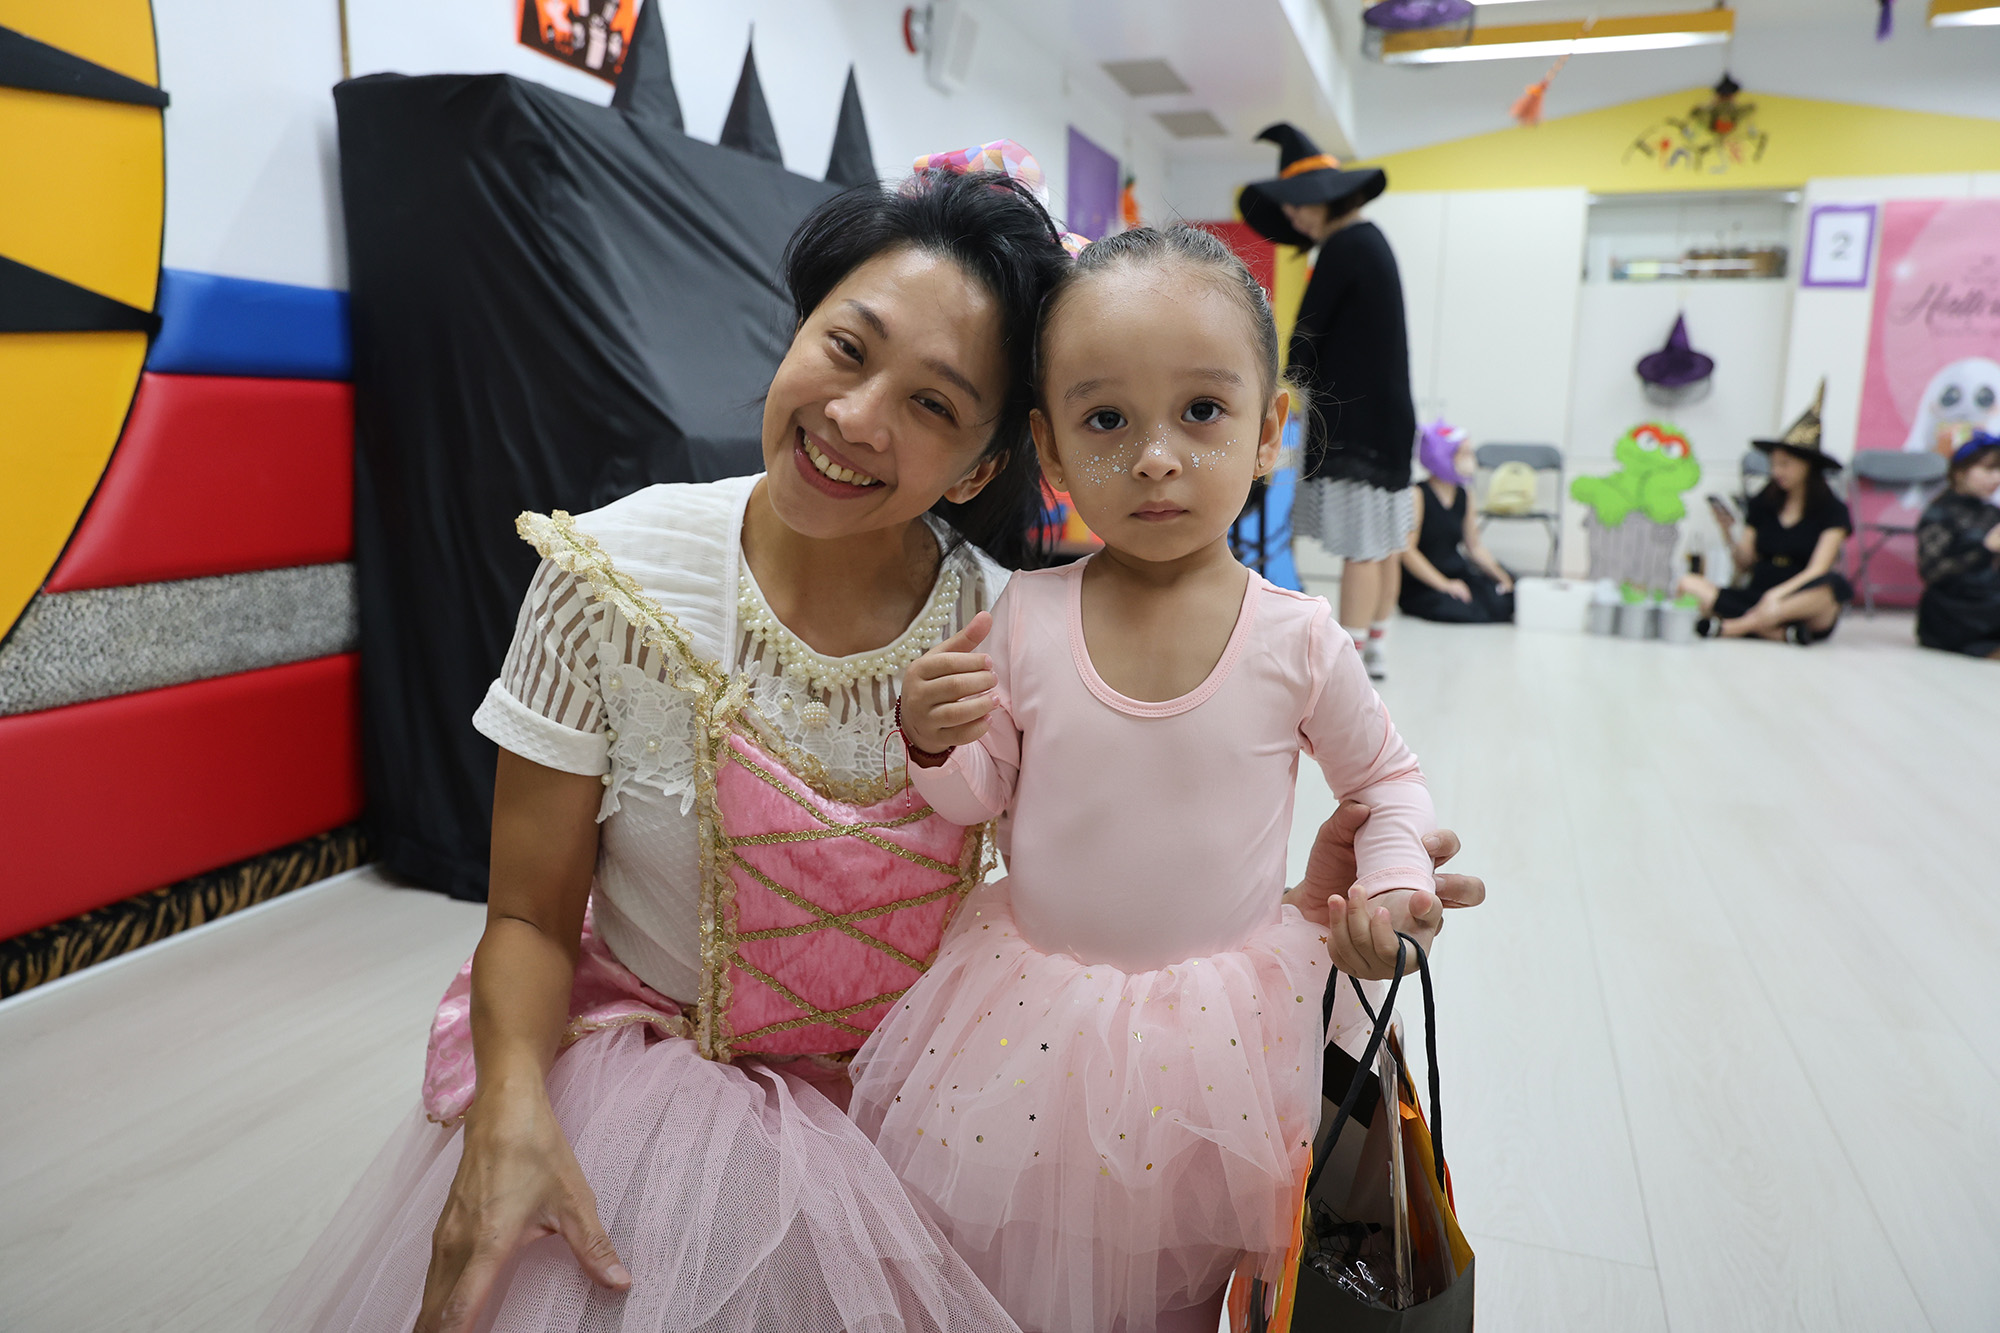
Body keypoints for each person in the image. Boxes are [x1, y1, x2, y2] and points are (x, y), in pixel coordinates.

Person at [264, 156, 1484, 1333]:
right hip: (664, 1101)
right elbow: (529, 913)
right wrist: (510, 1111)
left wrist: (1322, 889)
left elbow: (1131, 820)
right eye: (846, 348)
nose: (853, 417)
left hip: (930, 1114)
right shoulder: (616, 577)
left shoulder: (997, 615)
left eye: (932, 403)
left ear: (987, 462)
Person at [851, 226, 1437, 1333]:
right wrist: (931, 742)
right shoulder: (1027, 615)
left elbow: (1388, 785)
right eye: (1106, 420)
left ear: (1268, 431)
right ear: (1049, 445)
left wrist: (1393, 883)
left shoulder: (1299, 640)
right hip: (1034, 1029)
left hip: (1222, 1040)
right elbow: (978, 796)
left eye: (1201, 411)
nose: (1155, 457)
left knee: (1195, 1271)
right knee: (1024, 1270)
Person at [1239, 123, 1412, 680]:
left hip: (1357, 424)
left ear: (1325, 200)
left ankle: (1351, 664)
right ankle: (1377, 643)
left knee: (1360, 546)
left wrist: (1282, 383)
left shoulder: (1345, 245)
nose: (1293, 219)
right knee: (1383, 543)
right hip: (1389, 423)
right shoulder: (1372, 240)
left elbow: (1307, 333)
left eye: (1298, 207)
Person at [1677, 388, 1852, 644]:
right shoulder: (1764, 502)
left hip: (1797, 599)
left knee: (1830, 592)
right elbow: (1744, 563)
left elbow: (1819, 569)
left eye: (1785, 464)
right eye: (1774, 464)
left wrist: (1777, 596)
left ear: (1808, 466)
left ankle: (1734, 628)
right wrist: (1728, 533)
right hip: (1757, 594)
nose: (1777, 472)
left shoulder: (1833, 509)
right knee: (1688, 584)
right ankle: (1779, 634)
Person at [1399, 419, 1515, 623]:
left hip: (1456, 571)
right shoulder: (1418, 494)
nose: (1471, 461)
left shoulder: (1465, 495)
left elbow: (1474, 546)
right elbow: (1408, 551)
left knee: (1505, 599)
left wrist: (1501, 576)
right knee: (1457, 608)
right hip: (1424, 580)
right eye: (1464, 454)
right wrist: (1444, 584)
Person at [1916, 434, 2000, 658]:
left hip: (1989, 597)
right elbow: (1932, 572)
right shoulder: (1940, 512)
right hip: (1953, 606)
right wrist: (1985, 549)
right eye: (1989, 470)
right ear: (1960, 472)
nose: (1997, 478)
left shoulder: (1992, 513)